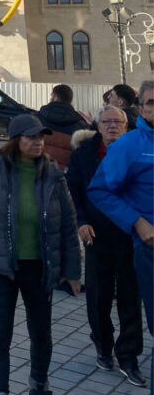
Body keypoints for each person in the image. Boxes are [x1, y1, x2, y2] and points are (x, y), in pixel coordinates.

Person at [0, 113, 81, 395]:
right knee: (0, 335)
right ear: (16, 140)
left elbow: (68, 224)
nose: (38, 142)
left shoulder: (53, 173)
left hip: (40, 267)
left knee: (41, 332)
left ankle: (39, 383)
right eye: (31, 137)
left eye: (41, 137)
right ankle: (0, 390)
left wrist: (73, 272)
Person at [66, 107, 144, 384]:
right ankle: (102, 345)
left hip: (131, 237)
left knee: (130, 299)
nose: (112, 126)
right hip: (96, 237)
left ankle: (129, 356)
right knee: (97, 299)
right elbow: (73, 191)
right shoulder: (83, 155)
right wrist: (81, 222)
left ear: (126, 126)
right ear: (97, 126)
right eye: (106, 121)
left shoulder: (137, 150)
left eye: (117, 121)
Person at [88, 81, 154, 391]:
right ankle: (117, 352)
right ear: (141, 109)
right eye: (151, 102)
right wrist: (138, 223)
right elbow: (97, 190)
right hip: (144, 246)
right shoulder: (129, 146)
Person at [36, 84, 87, 169]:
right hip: (66, 175)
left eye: (51, 95)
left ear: (55, 97)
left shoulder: (37, 119)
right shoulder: (80, 125)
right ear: (70, 100)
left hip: (41, 170)